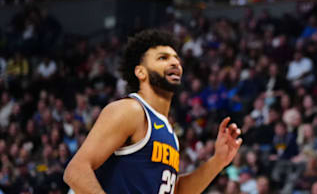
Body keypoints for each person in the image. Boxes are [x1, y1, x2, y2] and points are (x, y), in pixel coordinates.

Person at [63, 30, 242, 194]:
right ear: (141, 72)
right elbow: (76, 170)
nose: (174, 62)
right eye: (162, 58)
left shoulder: (168, 130)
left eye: (176, 58)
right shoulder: (130, 110)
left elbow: (176, 191)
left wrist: (218, 161)